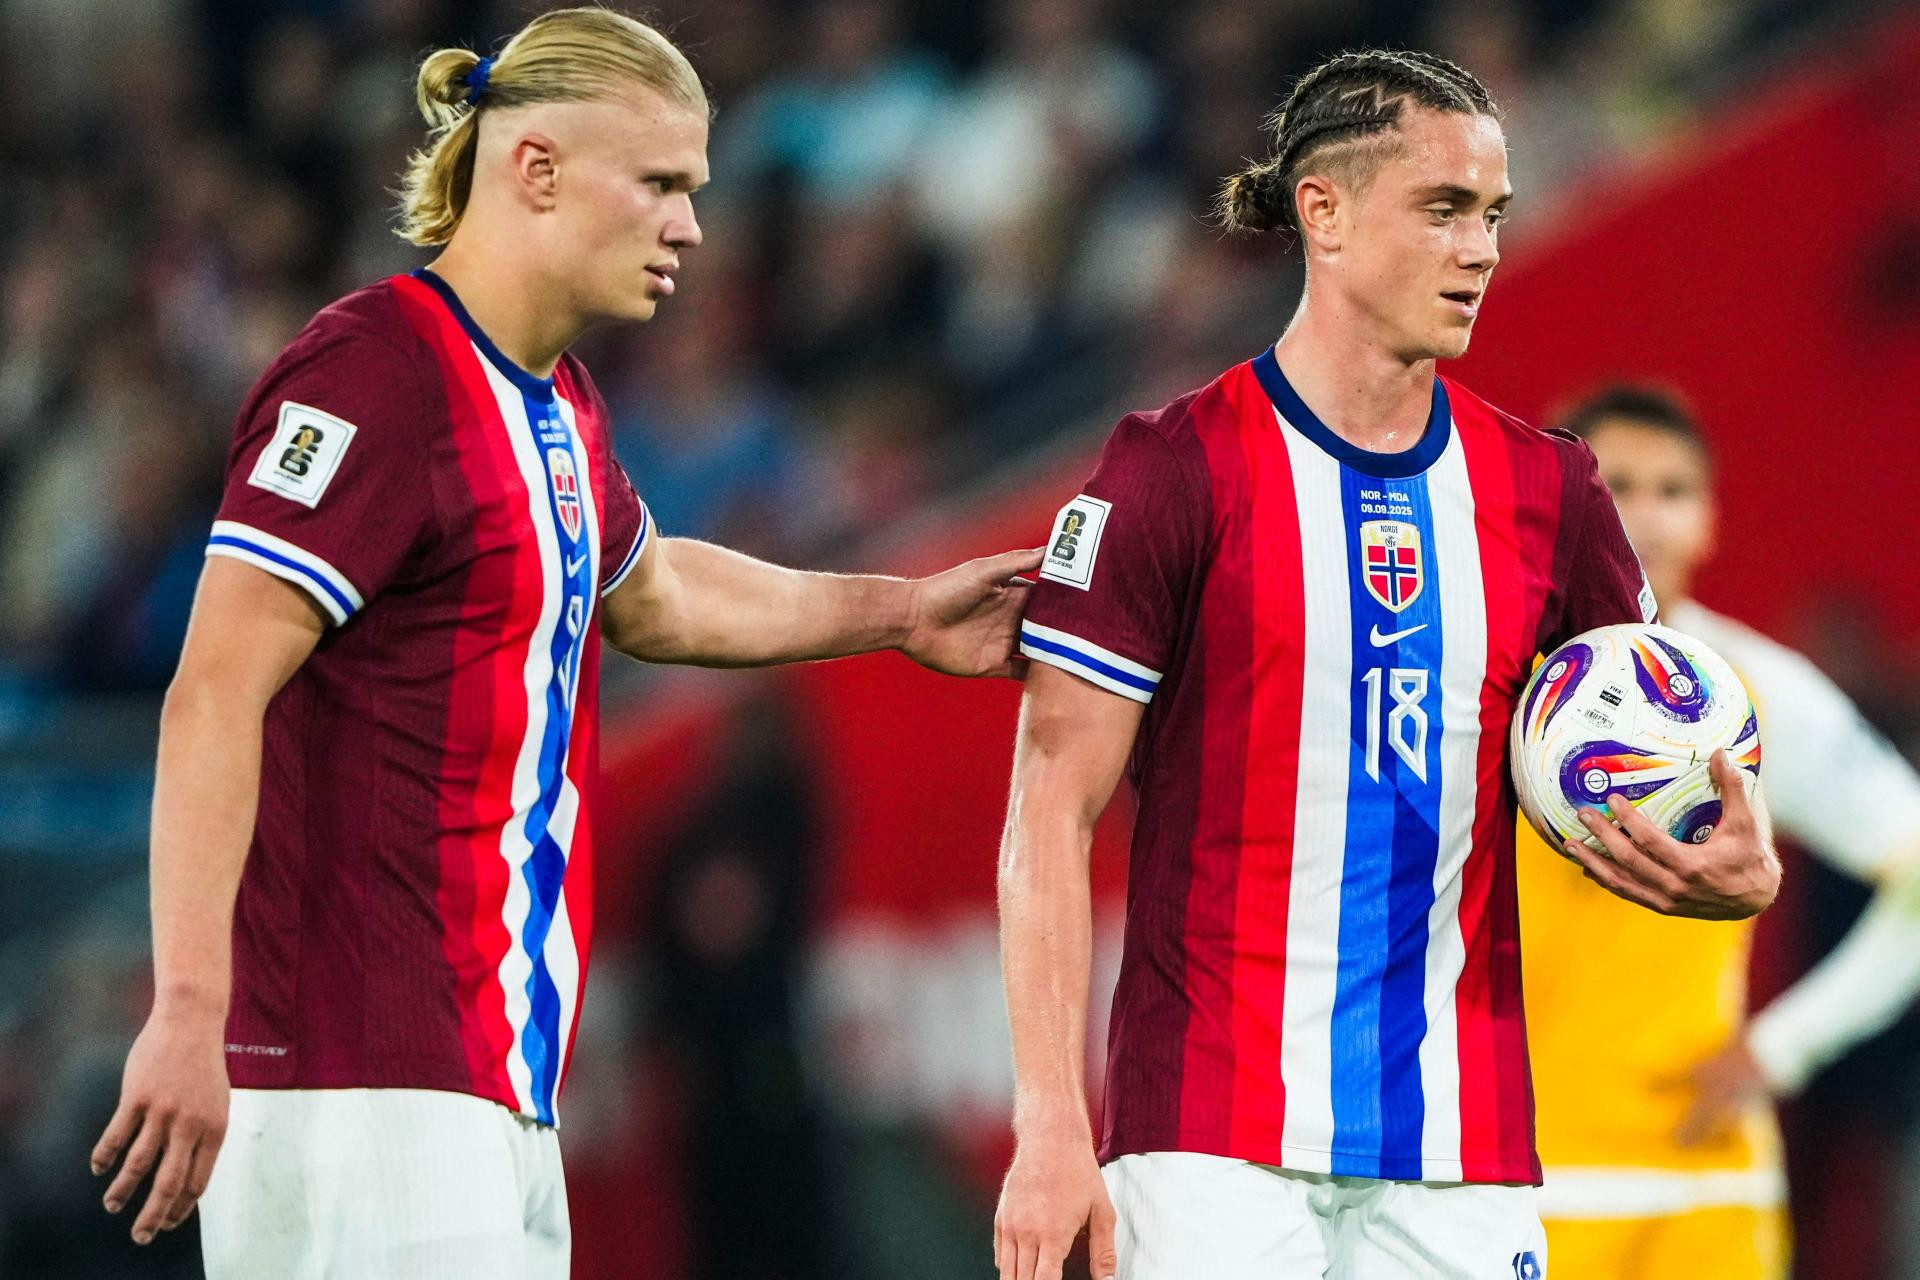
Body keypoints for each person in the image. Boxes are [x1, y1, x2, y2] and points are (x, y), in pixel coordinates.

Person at [85, 10, 1040, 1277]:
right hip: (355, 1091)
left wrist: (904, 612)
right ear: (536, 168)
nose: (689, 227)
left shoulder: (558, 406)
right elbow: (214, 690)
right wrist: (189, 1008)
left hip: (490, 1087)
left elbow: (662, 596)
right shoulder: (372, 374)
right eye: (659, 183)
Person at [991, 49, 1780, 1280]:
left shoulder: (1552, 491)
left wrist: (1734, 863)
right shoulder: (1175, 469)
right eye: (1444, 208)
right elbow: (1050, 804)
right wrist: (1049, 1123)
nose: (1483, 251)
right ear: (1325, 212)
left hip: (1461, 1145)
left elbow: (1645, 744)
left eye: (1494, 215)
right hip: (1208, 1136)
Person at [1521, 385, 1920, 1279]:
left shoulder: (1753, 692)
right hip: (1504, 1182)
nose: (1647, 515)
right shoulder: (1480, 679)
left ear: (1710, 523)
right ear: (1552, 507)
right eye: (1616, 484)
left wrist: (1786, 1046)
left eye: (1675, 490)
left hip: (1703, 1192)